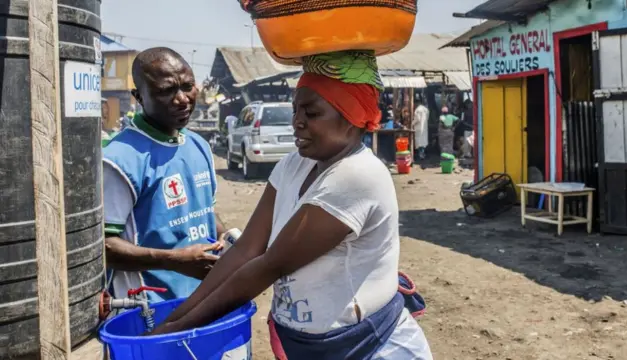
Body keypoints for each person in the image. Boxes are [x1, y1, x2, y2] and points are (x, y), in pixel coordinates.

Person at [151, 51, 433, 359]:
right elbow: (246, 249)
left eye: (311, 114)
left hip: (370, 348)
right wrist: (174, 319)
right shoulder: (293, 166)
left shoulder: (356, 174)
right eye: (295, 110)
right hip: (311, 348)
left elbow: (271, 264)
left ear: (351, 117)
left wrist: (173, 332)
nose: (296, 122)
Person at [102, 47, 237, 303]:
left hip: (204, 300)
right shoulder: (118, 159)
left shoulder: (199, 146)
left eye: (187, 86)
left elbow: (202, 211)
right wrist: (174, 261)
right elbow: (104, 247)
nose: (182, 99)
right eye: (166, 91)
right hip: (147, 311)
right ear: (138, 97)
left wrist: (226, 236)